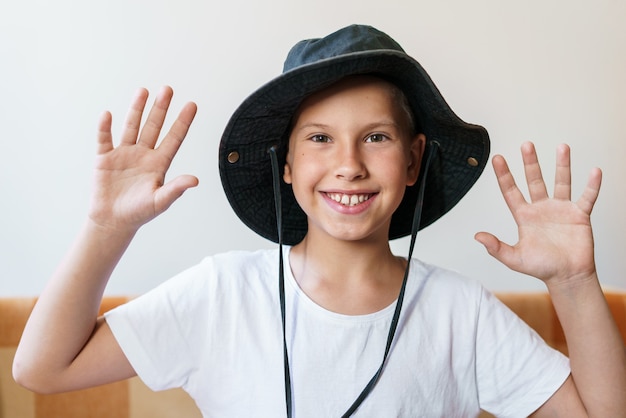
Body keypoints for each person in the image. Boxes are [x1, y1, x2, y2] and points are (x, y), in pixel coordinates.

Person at [13, 24, 626, 417]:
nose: (349, 165)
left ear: (414, 160)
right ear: (285, 164)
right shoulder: (223, 294)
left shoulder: (460, 315)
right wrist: (106, 229)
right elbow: (42, 368)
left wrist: (572, 285)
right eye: (321, 139)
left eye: (377, 137)